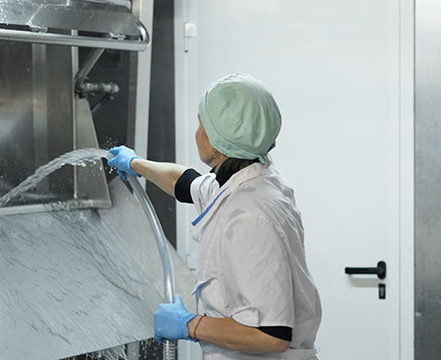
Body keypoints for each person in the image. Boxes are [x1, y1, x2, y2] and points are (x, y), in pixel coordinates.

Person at [107, 74, 321, 359]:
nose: (197, 132)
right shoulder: (251, 180)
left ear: (218, 140)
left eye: (201, 124)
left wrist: (190, 326)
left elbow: (273, 335)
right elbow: (186, 183)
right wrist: (136, 164)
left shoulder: (249, 216)